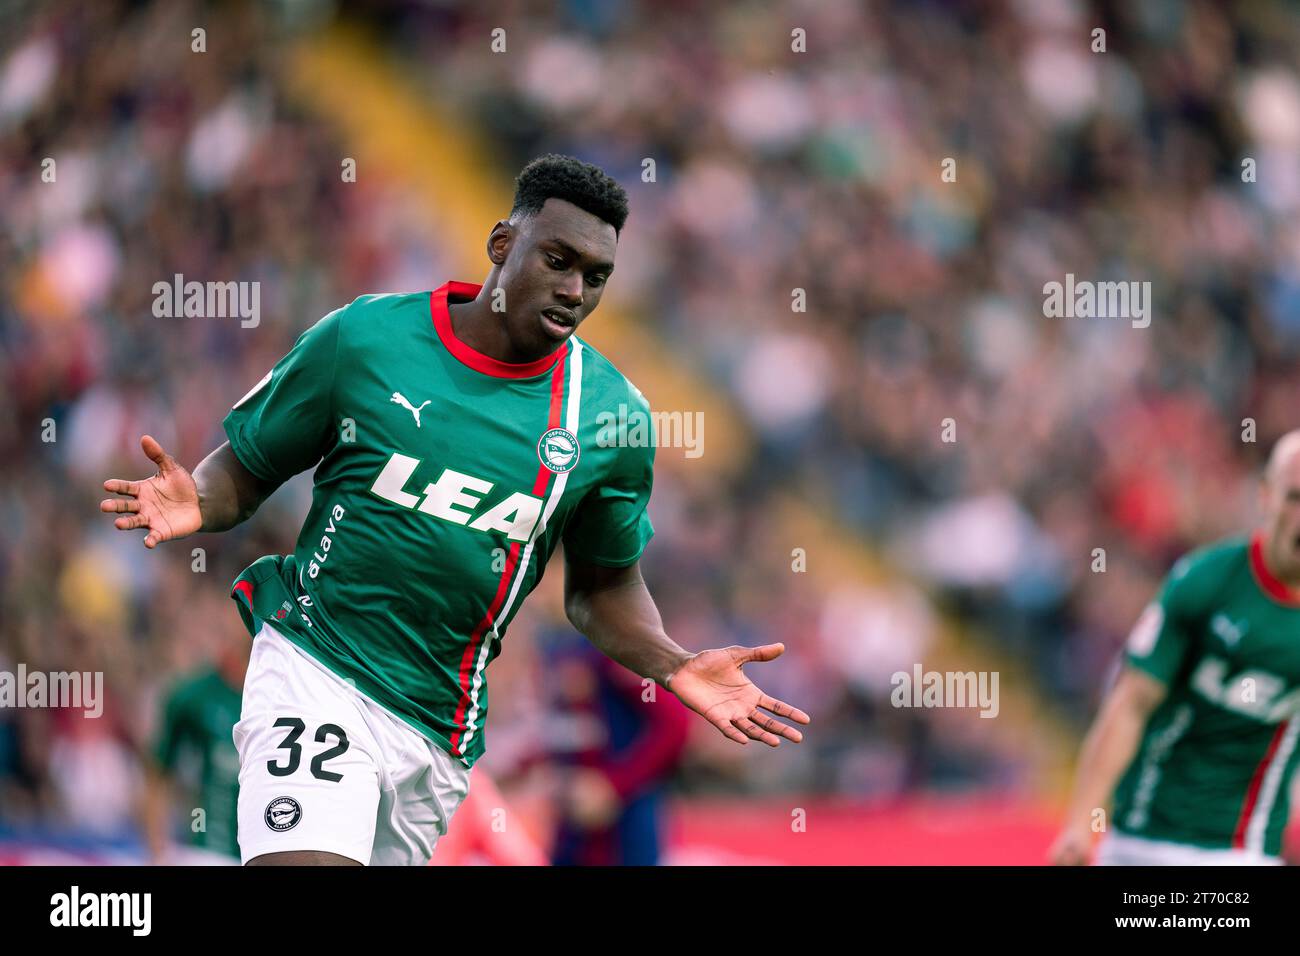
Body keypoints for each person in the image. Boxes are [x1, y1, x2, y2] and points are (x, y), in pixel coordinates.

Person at [100, 154, 810, 866]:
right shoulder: (367, 340)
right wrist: (203, 496)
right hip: (317, 667)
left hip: (438, 726)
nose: (573, 290)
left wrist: (673, 663)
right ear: (503, 245)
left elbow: (600, 589)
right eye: (558, 260)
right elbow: (246, 470)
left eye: (595, 277)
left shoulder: (609, 417)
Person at [1051, 431, 1300, 865]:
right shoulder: (1206, 581)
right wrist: (1081, 825)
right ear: (1265, 497)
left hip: (1242, 849)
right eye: (1295, 498)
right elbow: (1130, 705)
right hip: (1144, 837)